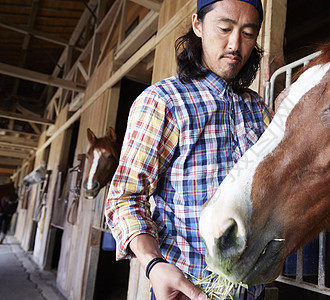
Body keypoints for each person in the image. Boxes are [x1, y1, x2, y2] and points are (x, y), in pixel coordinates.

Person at [105, 0, 271, 299]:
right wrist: (154, 264)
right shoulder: (163, 101)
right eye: (224, 28)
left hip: (251, 291)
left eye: (248, 33)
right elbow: (125, 198)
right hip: (186, 290)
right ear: (198, 25)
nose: (235, 44)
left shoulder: (258, 109)